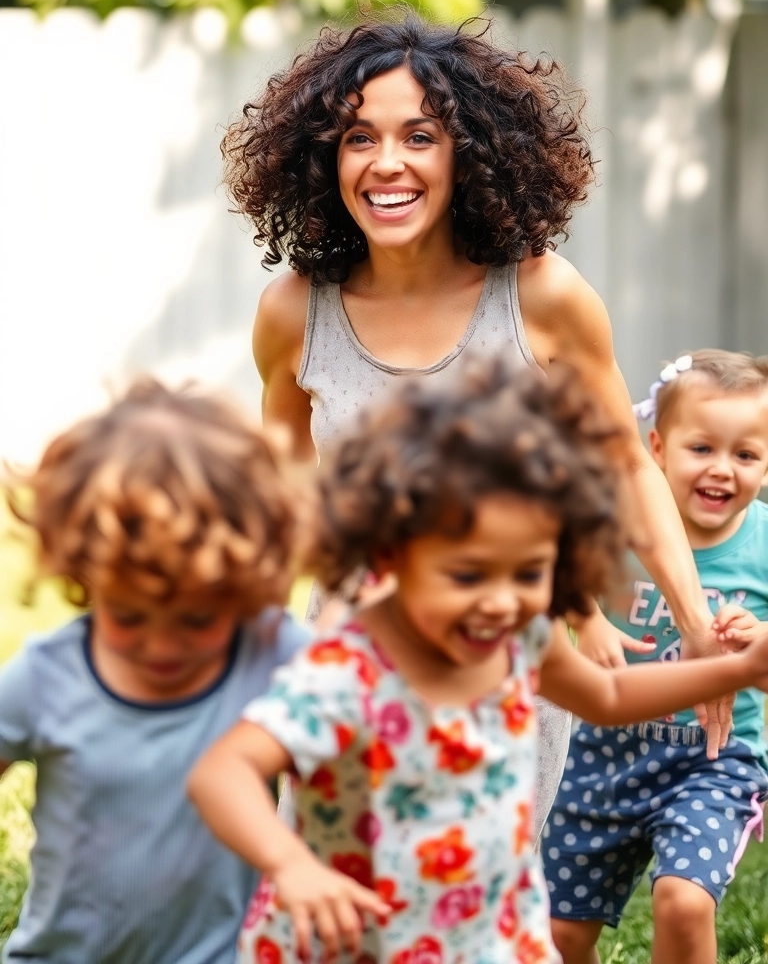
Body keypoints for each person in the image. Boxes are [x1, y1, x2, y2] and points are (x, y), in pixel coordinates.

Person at [222, 13, 732, 842]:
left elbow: (627, 470)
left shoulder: (542, 296)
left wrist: (701, 627)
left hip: (504, 666)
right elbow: (281, 508)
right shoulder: (293, 315)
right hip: (351, 667)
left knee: (477, 907)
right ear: (325, 158)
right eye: (359, 138)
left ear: (468, 151)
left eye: (420, 136)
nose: (387, 164)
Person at [189, 360, 768, 964]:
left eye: (530, 573)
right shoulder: (351, 666)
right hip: (362, 939)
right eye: (467, 574)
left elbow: (609, 697)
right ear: (392, 549)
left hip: (486, 933)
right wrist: (288, 865)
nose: (499, 601)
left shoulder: (520, 636)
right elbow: (222, 774)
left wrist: (739, 670)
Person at [0, 379, 311, 964]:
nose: (162, 645)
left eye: (197, 618)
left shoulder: (274, 656)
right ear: (87, 576)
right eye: (129, 616)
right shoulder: (47, 677)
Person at [545, 349, 768, 964]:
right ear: (657, 447)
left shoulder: (765, 543)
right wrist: (585, 618)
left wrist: (757, 637)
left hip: (714, 759)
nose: (722, 470)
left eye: (746, 455)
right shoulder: (622, 526)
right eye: (703, 449)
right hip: (597, 752)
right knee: (560, 933)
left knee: (684, 902)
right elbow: (551, 563)